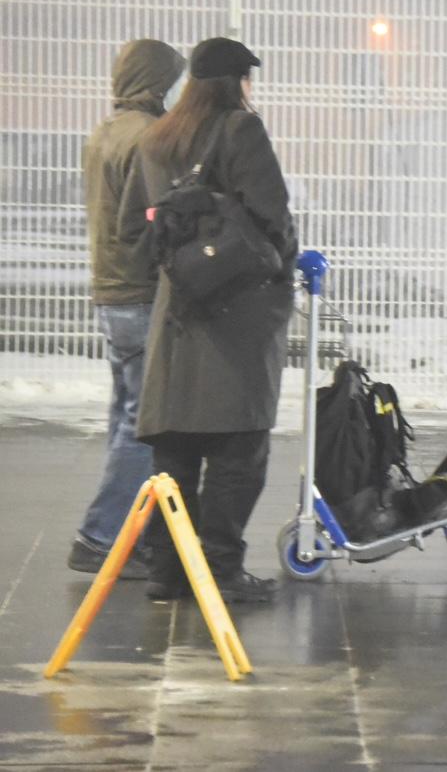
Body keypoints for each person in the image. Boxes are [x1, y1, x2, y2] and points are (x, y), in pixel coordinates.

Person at [129, 38, 297, 602]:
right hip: (236, 318)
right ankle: (221, 571)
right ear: (235, 81)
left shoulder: (156, 139)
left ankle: (167, 571)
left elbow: (142, 224)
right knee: (238, 449)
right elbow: (271, 219)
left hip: (177, 311)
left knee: (174, 447)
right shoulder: (239, 130)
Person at [70, 39, 186, 579]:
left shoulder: (105, 131)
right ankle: (99, 537)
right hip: (139, 294)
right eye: (169, 81)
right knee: (143, 427)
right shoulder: (145, 136)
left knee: (126, 417)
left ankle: (124, 538)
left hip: (109, 293)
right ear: (154, 81)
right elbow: (151, 218)